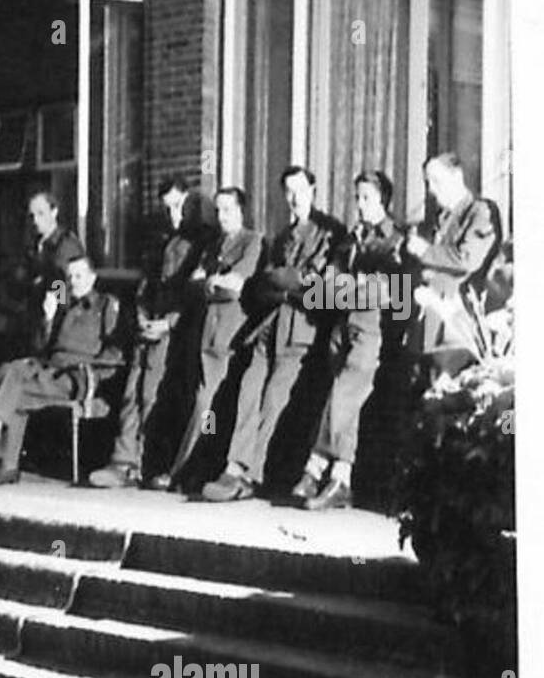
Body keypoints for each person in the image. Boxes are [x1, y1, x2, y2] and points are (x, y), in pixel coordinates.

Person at [202, 165, 348, 502]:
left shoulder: (331, 232)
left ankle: (249, 475)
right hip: (268, 326)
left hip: (302, 332)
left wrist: (287, 281)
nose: (294, 198)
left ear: (314, 189)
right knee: (247, 390)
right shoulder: (282, 236)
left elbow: (321, 288)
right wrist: (289, 280)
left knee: (274, 400)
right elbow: (265, 283)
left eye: (300, 190)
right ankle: (233, 468)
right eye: (288, 192)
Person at [292, 170, 415, 511]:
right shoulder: (350, 238)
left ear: (383, 201)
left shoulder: (397, 239)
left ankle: (315, 466)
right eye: (357, 198)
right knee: (349, 403)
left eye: (367, 198)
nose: (360, 205)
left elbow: (396, 294)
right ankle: (341, 478)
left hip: (372, 329)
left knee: (343, 395)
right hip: (342, 327)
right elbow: (324, 287)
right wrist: (353, 288)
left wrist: (352, 289)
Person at [90, 175, 209, 487]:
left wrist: (168, 323)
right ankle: (123, 461)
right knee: (132, 388)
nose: (173, 214)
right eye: (167, 207)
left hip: (177, 334)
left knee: (156, 395)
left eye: (178, 206)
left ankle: (151, 464)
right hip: (149, 326)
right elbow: (145, 284)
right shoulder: (158, 240)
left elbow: (195, 293)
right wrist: (142, 316)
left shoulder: (201, 242)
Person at [0, 253, 122, 483]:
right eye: (70, 277)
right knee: (10, 370)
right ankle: (4, 460)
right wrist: (48, 318)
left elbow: (115, 352)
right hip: (50, 370)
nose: (73, 281)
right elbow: (40, 347)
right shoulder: (64, 304)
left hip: (75, 375)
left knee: (15, 388)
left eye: (79, 275)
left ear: (93, 278)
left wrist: (93, 375)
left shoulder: (106, 304)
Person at [156, 187, 263, 491]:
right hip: (206, 334)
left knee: (209, 404)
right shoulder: (213, 245)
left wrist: (212, 282)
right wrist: (212, 282)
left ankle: (185, 470)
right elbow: (194, 283)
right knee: (204, 404)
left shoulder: (251, 241)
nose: (222, 216)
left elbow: (236, 285)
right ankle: (193, 470)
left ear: (242, 211)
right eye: (218, 210)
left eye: (228, 209)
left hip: (231, 336)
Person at [405, 153, 503, 376]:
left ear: (457, 177)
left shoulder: (480, 212)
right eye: (428, 182)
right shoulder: (440, 219)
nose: (431, 189)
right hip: (427, 320)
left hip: (457, 324)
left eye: (436, 181)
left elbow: (468, 259)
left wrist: (425, 251)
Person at [27, 190, 86, 304]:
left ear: (54, 212)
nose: (35, 220)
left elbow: (66, 287)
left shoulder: (66, 245)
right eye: (32, 216)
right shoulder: (35, 245)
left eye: (41, 213)